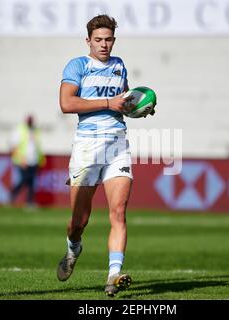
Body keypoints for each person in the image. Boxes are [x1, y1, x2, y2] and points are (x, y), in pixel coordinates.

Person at [56, 14, 154, 296]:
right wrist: (109, 102)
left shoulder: (119, 65)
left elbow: (123, 103)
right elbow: (66, 103)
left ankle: (113, 275)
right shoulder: (78, 66)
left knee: (119, 212)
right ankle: (73, 248)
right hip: (87, 146)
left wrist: (137, 109)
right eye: (98, 39)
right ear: (88, 40)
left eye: (108, 39)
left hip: (116, 145)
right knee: (79, 222)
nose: (104, 44)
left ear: (114, 40)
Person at [9, 114, 45, 208]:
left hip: (34, 160)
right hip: (23, 161)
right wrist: (21, 159)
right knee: (23, 180)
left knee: (32, 183)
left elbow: (37, 146)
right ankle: (12, 196)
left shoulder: (35, 130)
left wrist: (40, 160)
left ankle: (29, 202)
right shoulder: (20, 130)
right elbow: (14, 147)